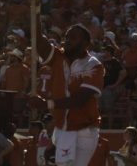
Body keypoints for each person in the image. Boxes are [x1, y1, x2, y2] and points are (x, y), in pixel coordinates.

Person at [29, 23, 104, 166]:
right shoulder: (58, 56)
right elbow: (39, 42)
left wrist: (46, 104)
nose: (67, 40)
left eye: (73, 38)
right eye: (66, 37)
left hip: (85, 129)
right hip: (63, 127)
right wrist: (36, 11)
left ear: (86, 44)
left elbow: (79, 100)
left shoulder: (93, 65)